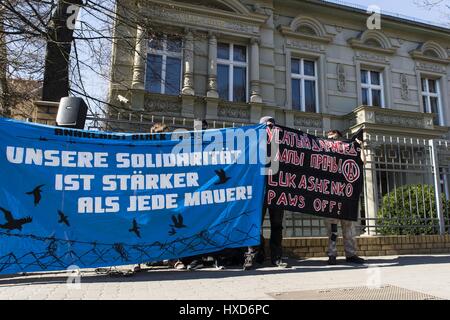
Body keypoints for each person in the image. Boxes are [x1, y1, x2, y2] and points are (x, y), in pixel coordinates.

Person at [243, 116, 288, 270]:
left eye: (272, 125)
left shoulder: (283, 143)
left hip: (277, 191)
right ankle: (253, 254)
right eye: (267, 126)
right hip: (259, 191)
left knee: (277, 225)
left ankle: (276, 258)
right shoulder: (253, 143)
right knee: (254, 223)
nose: (270, 128)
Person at [324, 129, 366, 265]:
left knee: (348, 227)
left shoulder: (349, 151)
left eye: (335, 138)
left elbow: (363, 162)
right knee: (332, 228)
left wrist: (360, 146)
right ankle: (332, 254)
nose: (332, 141)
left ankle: (351, 254)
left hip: (346, 196)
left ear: (341, 139)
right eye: (329, 138)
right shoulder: (324, 152)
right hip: (330, 196)